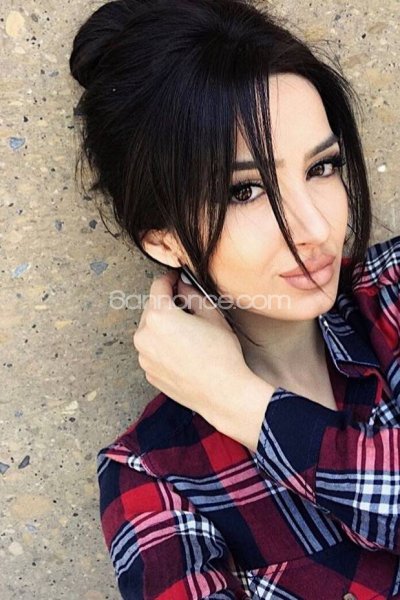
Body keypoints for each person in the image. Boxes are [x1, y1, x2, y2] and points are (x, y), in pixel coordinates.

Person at [69, 0, 400, 597]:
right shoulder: (155, 479)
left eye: (322, 167)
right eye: (245, 191)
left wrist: (242, 403)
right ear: (163, 239)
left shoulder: (394, 291)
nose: (316, 227)